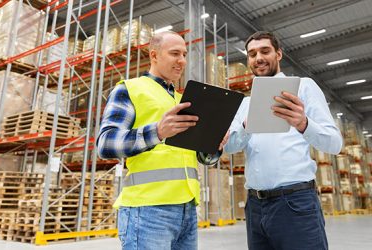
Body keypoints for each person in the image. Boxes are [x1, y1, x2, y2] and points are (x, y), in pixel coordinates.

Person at [97, 31, 224, 250]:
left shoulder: (183, 100)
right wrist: (157, 131)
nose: (182, 60)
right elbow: (106, 143)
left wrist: (213, 145)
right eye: (175, 53)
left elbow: (197, 157)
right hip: (148, 210)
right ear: (154, 55)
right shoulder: (130, 89)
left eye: (184, 54)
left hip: (187, 209)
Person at [224, 31, 343, 250]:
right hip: (255, 208)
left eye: (265, 51)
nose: (258, 57)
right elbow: (230, 147)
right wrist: (245, 126)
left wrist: (303, 123)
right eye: (252, 54)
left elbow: (335, 144)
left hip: (294, 202)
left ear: (279, 54)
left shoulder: (303, 87)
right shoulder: (245, 104)